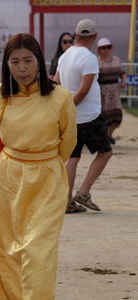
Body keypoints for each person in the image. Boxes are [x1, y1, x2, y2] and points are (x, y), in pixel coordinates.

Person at [0, 33, 77, 299]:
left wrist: (42, 160)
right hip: (9, 178)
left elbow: (67, 142)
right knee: (8, 248)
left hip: (47, 179)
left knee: (38, 251)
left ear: (39, 61)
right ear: (6, 64)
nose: (21, 68)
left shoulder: (61, 97)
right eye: (14, 62)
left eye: (28, 60)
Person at [54, 19, 112, 213]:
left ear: (75, 34)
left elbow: (56, 84)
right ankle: (83, 192)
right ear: (94, 37)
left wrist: (63, 110)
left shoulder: (65, 56)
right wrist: (70, 106)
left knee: (73, 157)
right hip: (89, 116)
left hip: (72, 119)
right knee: (105, 153)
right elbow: (83, 91)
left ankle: (67, 201)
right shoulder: (88, 58)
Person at [97, 37, 126, 144]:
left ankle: (110, 134)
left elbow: (122, 73)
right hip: (102, 93)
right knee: (104, 116)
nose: (106, 50)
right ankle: (105, 136)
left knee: (117, 115)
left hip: (115, 92)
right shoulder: (96, 62)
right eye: (103, 48)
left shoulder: (117, 59)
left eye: (108, 47)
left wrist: (123, 82)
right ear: (99, 50)